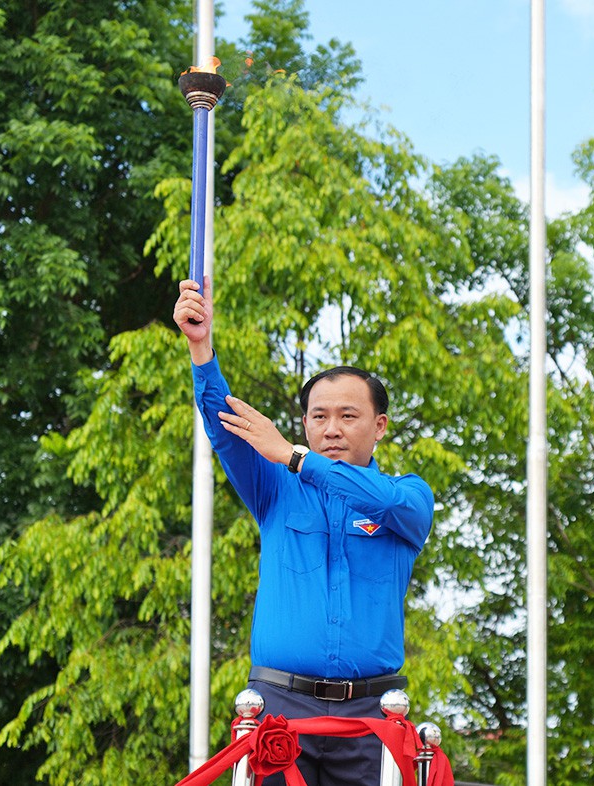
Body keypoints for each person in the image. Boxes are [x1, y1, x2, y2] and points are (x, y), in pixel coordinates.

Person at [173, 278, 434, 786]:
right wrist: (201, 350)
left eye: (347, 415)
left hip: (372, 714)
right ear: (307, 422)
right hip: (279, 708)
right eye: (319, 417)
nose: (331, 428)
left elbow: (375, 498)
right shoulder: (275, 490)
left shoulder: (408, 497)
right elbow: (224, 423)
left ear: (379, 426)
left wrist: (295, 455)